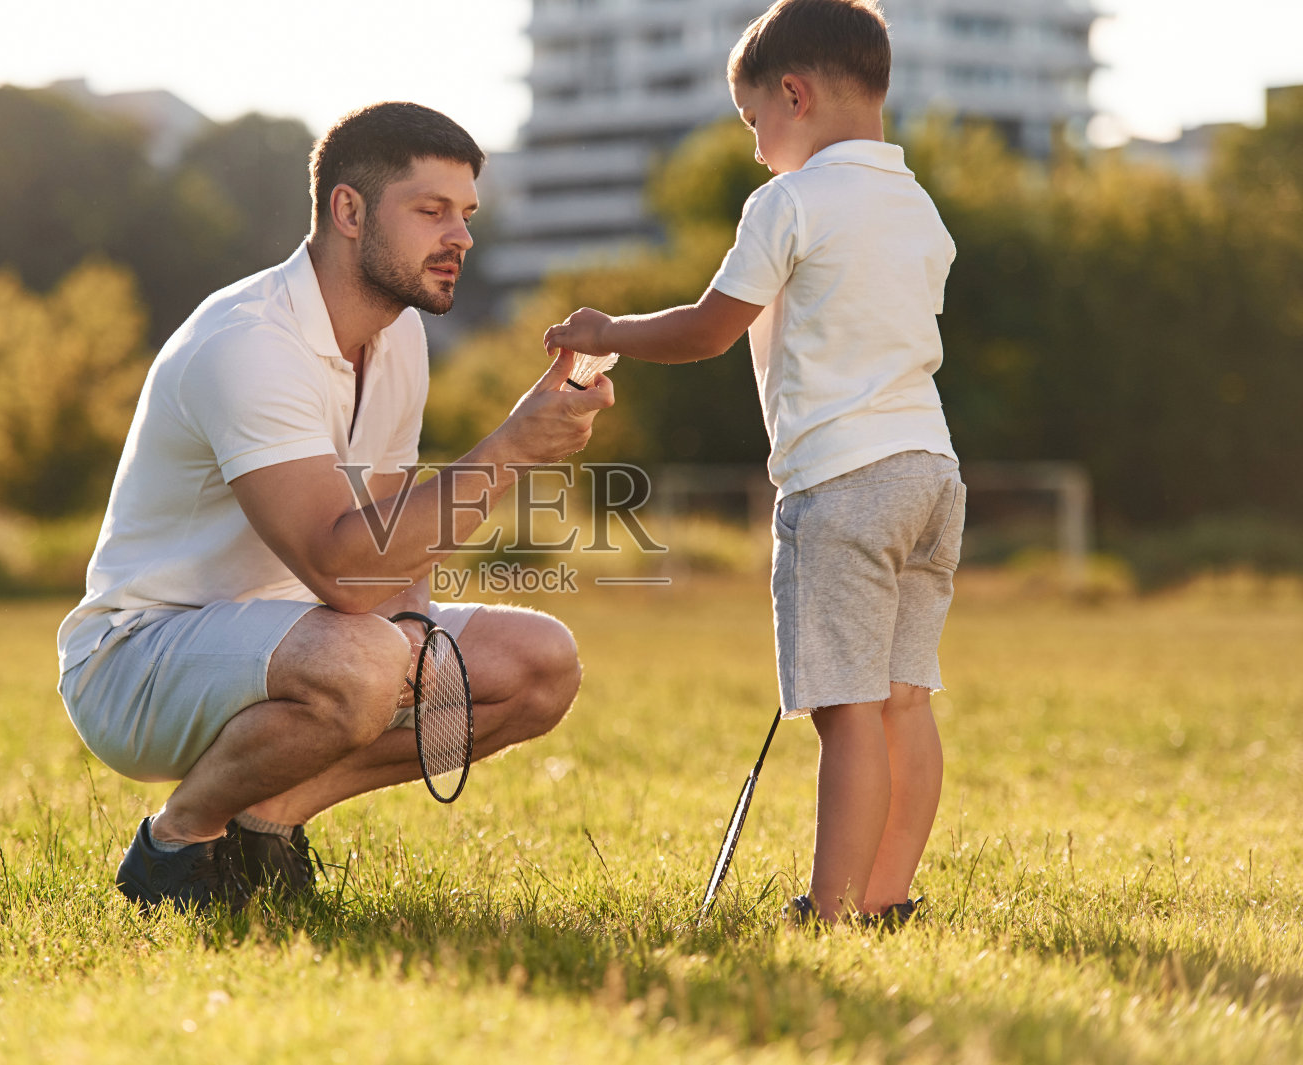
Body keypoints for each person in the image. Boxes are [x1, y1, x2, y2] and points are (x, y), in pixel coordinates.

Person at [58, 102, 615, 911]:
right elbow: (342, 567)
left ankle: (266, 822)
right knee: (367, 662)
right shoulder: (250, 340)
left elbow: (390, 550)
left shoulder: (399, 338)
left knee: (539, 663)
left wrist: (418, 627)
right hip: (138, 659)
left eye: (466, 215)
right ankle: (177, 842)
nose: (459, 236)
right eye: (430, 211)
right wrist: (512, 451)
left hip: (303, 636)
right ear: (348, 211)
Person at [543, 0, 963, 927]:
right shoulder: (918, 205)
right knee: (903, 698)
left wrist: (605, 330)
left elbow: (705, 329)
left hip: (842, 484)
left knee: (844, 710)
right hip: (931, 472)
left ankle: (833, 906)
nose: (755, 145)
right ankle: (889, 897)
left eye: (752, 122)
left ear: (794, 94)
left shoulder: (790, 201)